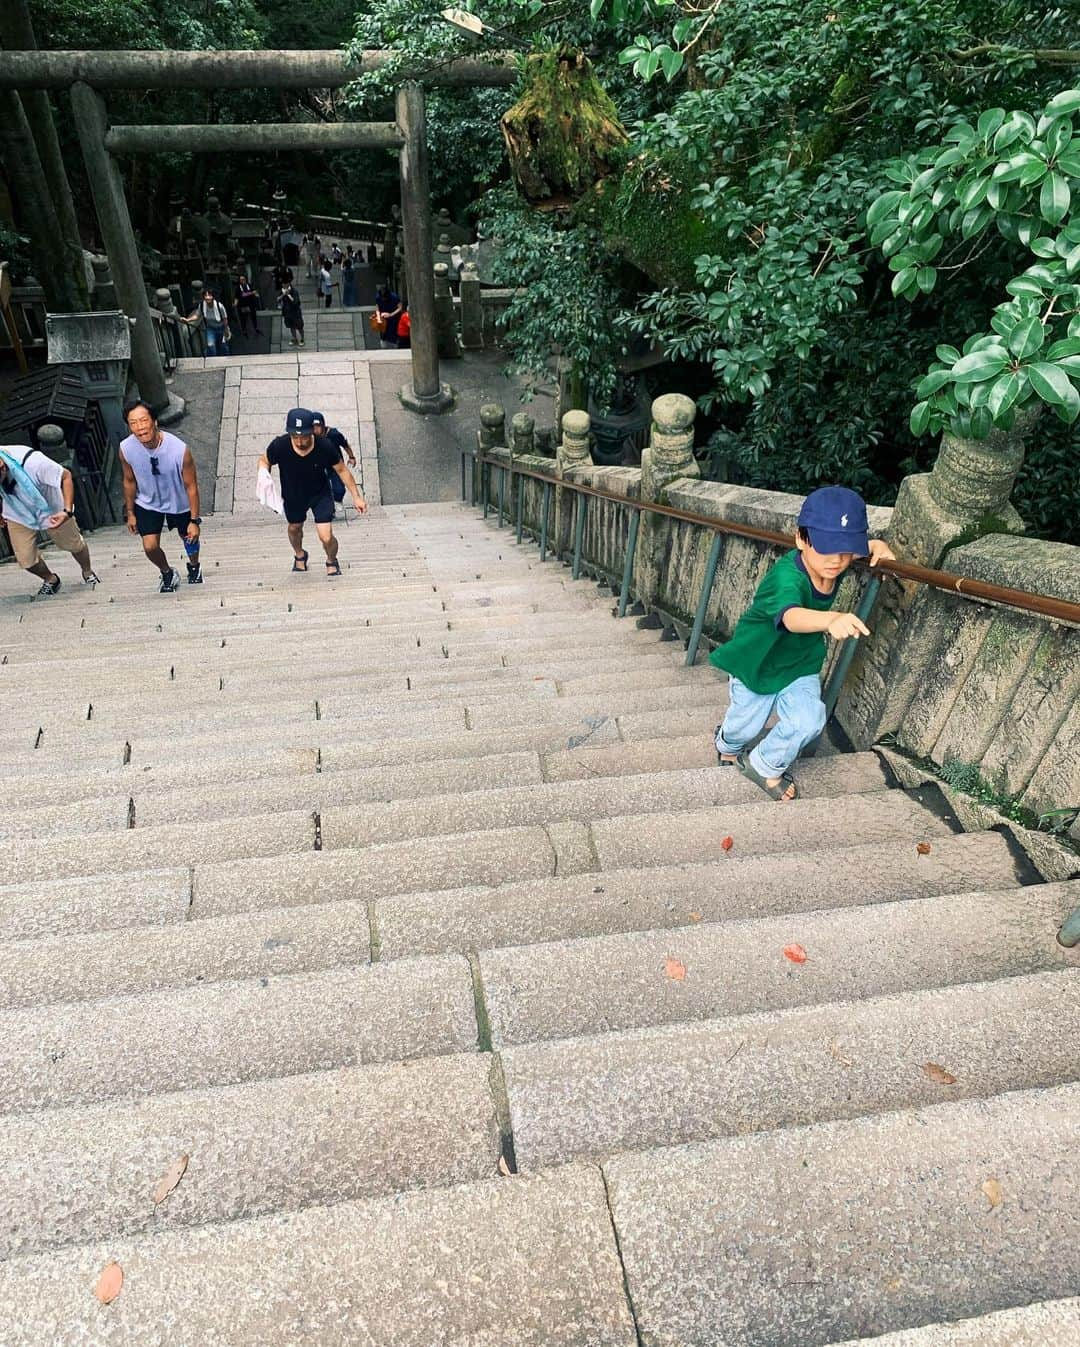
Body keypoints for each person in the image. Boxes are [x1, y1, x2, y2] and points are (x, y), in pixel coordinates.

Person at [710, 485, 895, 801]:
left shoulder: (838, 555)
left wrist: (878, 545)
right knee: (745, 726)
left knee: (809, 720)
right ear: (800, 539)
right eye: (826, 548)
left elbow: (859, 547)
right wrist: (831, 619)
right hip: (758, 661)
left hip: (799, 662)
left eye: (846, 550)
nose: (837, 560)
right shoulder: (786, 578)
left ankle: (764, 764)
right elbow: (790, 616)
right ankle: (727, 745)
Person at [258, 408, 366, 577]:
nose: (300, 441)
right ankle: (300, 554)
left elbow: (342, 470)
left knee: (326, 536)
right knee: (294, 528)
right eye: (295, 437)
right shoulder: (280, 445)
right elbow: (264, 460)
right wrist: (264, 479)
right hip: (293, 494)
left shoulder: (325, 446)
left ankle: (332, 559)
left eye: (304, 436)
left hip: (319, 494)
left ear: (312, 432)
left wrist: (356, 497)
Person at [119, 400, 205, 593]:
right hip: (148, 501)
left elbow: (191, 486)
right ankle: (167, 572)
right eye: (133, 423)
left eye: (143, 420)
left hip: (179, 501)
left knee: (189, 537)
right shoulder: (126, 448)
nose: (140, 428)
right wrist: (130, 512)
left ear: (155, 421)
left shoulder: (179, 450)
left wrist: (194, 520)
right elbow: (129, 480)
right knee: (149, 546)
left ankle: (194, 565)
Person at [0, 445, 99, 596]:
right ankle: (50, 579)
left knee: (74, 544)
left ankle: (87, 571)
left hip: (52, 507)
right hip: (17, 510)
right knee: (26, 559)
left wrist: (66, 511)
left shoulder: (34, 463)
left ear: (2, 468)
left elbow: (66, 476)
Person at [311, 412, 357, 511]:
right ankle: (327, 509)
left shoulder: (334, 434)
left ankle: (337, 500)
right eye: (313, 427)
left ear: (323, 425)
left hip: (336, 464)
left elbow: (345, 445)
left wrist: (352, 457)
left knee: (339, 489)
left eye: (318, 426)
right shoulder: (311, 437)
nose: (315, 430)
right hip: (320, 465)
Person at [182, 286, 230, 356]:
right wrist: (187, 320)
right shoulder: (202, 305)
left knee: (223, 346)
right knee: (211, 347)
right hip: (210, 329)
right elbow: (197, 316)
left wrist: (226, 330)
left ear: (213, 296)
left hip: (221, 328)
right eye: (206, 295)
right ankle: (213, 361)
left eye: (209, 295)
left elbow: (225, 319)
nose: (207, 297)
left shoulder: (220, 306)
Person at [375, 284, 402, 349]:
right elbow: (377, 307)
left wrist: (391, 314)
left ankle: (395, 347)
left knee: (393, 336)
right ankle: (384, 347)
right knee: (383, 335)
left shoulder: (394, 297)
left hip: (393, 319)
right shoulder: (378, 297)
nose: (383, 299)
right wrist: (378, 317)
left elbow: (400, 307)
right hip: (383, 319)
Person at [280, 281, 305, 347]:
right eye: (282, 284)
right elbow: (279, 299)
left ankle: (302, 339)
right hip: (287, 313)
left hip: (295, 313)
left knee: (299, 327)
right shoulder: (282, 291)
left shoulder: (294, 292)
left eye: (284, 283)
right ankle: (295, 338)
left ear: (288, 284)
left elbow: (296, 302)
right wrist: (283, 295)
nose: (283, 285)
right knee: (291, 326)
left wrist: (288, 295)